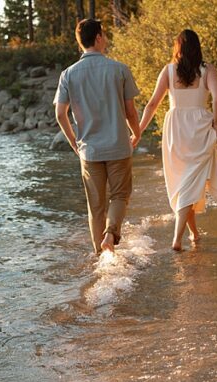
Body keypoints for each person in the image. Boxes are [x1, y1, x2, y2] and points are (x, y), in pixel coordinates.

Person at [55, 19, 142, 255]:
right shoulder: (119, 69)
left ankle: (101, 259)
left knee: (95, 207)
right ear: (99, 38)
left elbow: (60, 113)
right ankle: (111, 234)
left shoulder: (68, 74)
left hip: (89, 150)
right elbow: (130, 111)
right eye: (104, 34)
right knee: (120, 195)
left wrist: (74, 142)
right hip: (118, 146)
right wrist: (136, 132)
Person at [137, 29, 217, 251]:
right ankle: (177, 238)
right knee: (190, 183)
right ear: (198, 47)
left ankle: (194, 234)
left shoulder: (168, 71)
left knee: (185, 182)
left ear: (178, 48)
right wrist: (216, 122)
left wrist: (137, 131)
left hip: (175, 128)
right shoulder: (207, 70)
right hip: (199, 127)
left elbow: (152, 104)